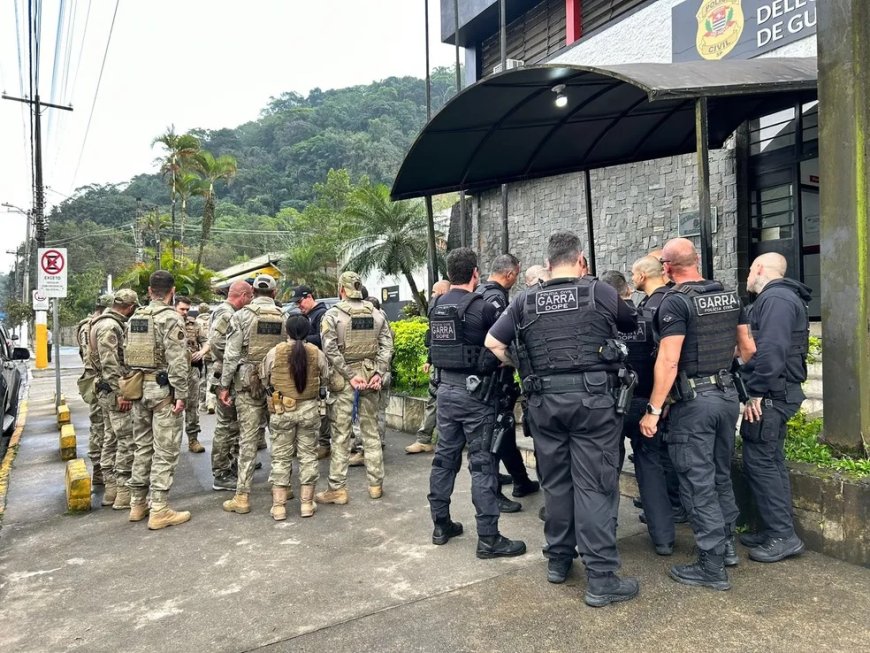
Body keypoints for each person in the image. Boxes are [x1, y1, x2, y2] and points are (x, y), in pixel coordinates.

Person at [486, 231, 638, 606]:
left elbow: (493, 343)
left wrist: (523, 368)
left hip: (543, 403)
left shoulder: (524, 299)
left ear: (549, 262)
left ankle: (558, 560)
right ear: (580, 259)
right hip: (593, 403)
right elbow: (631, 323)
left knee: (555, 483)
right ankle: (601, 579)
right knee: (595, 487)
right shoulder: (599, 291)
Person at [639, 238, 755, 591]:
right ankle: (727, 548)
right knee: (720, 474)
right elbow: (748, 349)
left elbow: (670, 359)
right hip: (726, 397)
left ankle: (711, 565)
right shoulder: (728, 295)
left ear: (668, 269)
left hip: (694, 404)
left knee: (697, 481)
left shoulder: (676, 301)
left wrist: (653, 409)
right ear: (698, 261)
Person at [428, 248, 526, 560]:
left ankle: (441, 525)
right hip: (478, 396)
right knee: (483, 464)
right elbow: (506, 346)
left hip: (445, 391)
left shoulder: (437, 305)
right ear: (475, 274)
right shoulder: (483, 307)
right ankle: (489, 538)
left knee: (445, 458)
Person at [739, 252, 810, 563]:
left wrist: (755, 392)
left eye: (749, 271)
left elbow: (772, 350)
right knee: (769, 461)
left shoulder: (776, 299)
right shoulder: (781, 298)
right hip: (778, 393)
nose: (747, 278)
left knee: (762, 463)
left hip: (772, 396)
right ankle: (774, 529)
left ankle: (783, 535)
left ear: (758, 269)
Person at [620, 256, 682, 555]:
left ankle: (604, 537)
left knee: (605, 469)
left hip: (614, 406)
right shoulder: (654, 314)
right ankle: (664, 540)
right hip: (647, 403)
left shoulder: (607, 322)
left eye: (634, 272)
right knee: (652, 466)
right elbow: (667, 358)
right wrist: (661, 403)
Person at [316, 271, 394, 504]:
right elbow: (387, 346)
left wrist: (349, 374)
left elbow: (329, 349)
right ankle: (375, 485)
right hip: (371, 377)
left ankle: (337, 489)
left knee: (341, 435)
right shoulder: (377, 313)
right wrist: (379, 372)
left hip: (344, 380)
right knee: (371, 432)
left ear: (341, 289)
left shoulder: (332, 315)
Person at [125, 270, 191, 529]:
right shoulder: (171, 318)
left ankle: (137, 504)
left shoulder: (135, 317)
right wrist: (182, 394)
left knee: (142, 447)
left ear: (150, 291)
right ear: (172, 291)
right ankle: (160, 508)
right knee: (165, 450)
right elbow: (177, 359)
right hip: (163, 392)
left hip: (139, 388)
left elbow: (126, 354)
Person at [475, 254, 539, 512]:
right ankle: (495, 493)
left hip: (481, 379)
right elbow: (500, 340)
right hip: (494, 378)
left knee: (503, 432)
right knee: (497, 433)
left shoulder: (478, 292)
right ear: (511, 274)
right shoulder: (497, 298)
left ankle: (521, 480)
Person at [219, 274, 286, 515]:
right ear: (274, 294)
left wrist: (223, 385)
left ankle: (242, 496)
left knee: (248, 439)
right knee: (279, 436)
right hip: (277, 384)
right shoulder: (284, 316)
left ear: (253, 292)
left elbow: (231, 355)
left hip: (247, 384)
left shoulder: (241, 316)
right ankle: (282, 487)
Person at [260, 315, 329, 520]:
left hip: (282, 410)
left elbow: (264, 376)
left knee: (280, 457)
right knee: (308, 456)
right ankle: (307, 505)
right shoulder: (316, 353)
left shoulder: (276, 351)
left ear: (287, 332)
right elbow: (325, 377)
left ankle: (279, 507)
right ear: (308, 332)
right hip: (310, 410)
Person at [89, 289, 139, 510]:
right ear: (129, 307)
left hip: (105, 390)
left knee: (110, 439)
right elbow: (110, 362)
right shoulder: (110, 326)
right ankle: (122, 492)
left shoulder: (100, 322)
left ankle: (110, 491)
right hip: (114, 391)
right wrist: (122, 393)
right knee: (125, 441)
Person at [208, 280, 253, 491]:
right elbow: (217, 344)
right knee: (225, 426)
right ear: (242, 295)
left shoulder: (230, 312)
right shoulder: (226, 314)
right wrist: (241, 353)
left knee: (233, 425)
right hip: (225, 374)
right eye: (250, 297)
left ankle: (232, 464)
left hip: (231, 373)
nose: (251, 301)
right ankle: (221, 472)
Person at [406, 279, 451, 454]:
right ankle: (424, 440)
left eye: (434, 292)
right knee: (433, 401)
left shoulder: (447, 308)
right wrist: (429, 360)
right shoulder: (438, 311)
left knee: (441, 404)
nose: (431, 295)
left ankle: (436, 441)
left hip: (449, 367)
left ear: (441, 292)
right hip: (439, 364)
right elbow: (433, 338)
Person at [292, 285, 333, 460]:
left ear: (309, 297)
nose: (299, 306)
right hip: (308, 367)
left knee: (322, 408)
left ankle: (324, 444)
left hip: (321, 367)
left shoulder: (321, 315)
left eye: (300, 301)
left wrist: (301, 339)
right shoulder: (307, 316)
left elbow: (324, 340)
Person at [76, 293, 112, 486]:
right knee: (104, 425)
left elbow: (82, 354)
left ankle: (98, 467)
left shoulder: (85, 326)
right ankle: (100, 470)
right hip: (102, 379)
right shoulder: (104, 326)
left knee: (97, 424)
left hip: (90, 378)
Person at [175, 297, 208, 454]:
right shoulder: (167, 321)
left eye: (187, 309)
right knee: (171, 407)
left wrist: (201, 352)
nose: (185, 312)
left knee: (192, 405)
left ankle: (193, 439)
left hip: (191, 370)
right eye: (182, 309)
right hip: (172, 371)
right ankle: (171, 442)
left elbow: (207, 342)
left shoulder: (194, 324)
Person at [195, 303, 214, 414]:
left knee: (201, 379)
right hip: (212, 354)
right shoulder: (213, 321)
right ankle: (210, 401)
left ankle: (201, 404)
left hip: (199, 355)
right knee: (211, 379)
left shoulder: (196, 323)